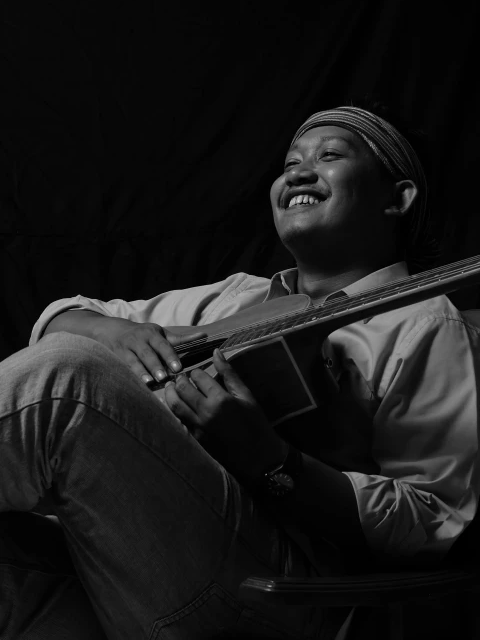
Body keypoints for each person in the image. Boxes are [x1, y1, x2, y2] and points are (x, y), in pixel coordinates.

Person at [0, 103, 479, 640]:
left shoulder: (425, 323)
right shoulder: (238, 296)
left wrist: (271, 461)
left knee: (69, 379)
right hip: (138, 560)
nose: (298, 170)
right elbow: (60, 318)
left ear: (398, 199)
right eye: (291, 160)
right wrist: (119, 334)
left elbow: (437, 519)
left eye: (329, 156)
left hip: (273, 594)